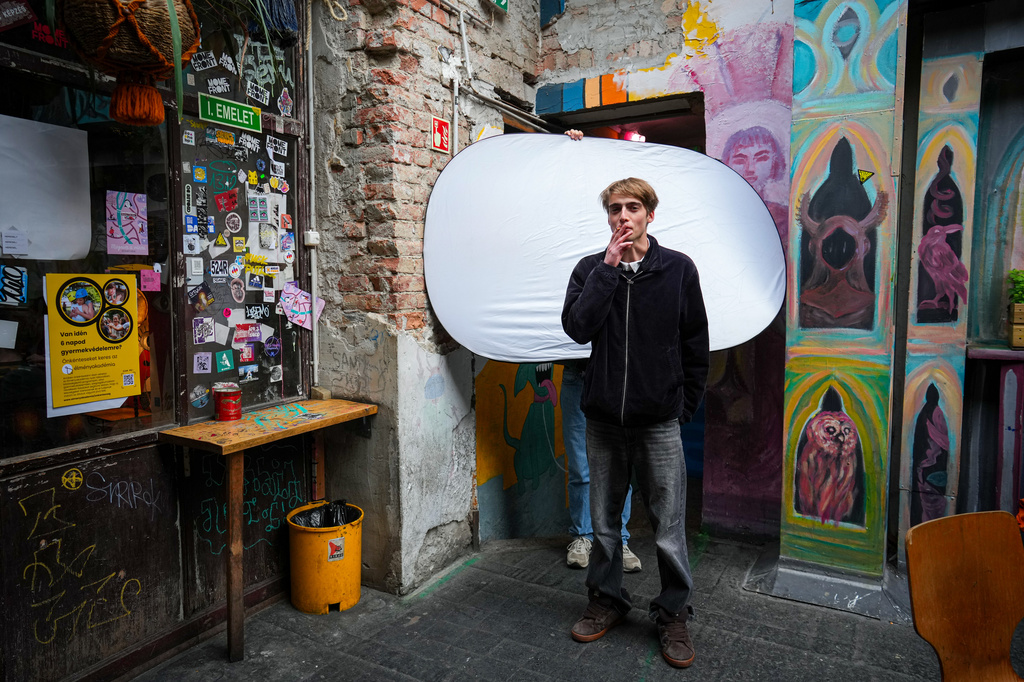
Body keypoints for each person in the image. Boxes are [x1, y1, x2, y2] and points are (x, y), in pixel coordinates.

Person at [561, 168, 709, 668]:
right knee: (604, 526)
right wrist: (607, 267)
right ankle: (605, 602)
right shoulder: (589, 269)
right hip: (603, 420)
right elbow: (578, 329)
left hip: (658, 422)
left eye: (632, 208)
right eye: (614, 209)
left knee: (668, 527)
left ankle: (673, 614)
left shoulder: (678, 270)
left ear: (649, 213)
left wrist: (680, 406)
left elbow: (695, 345)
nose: (622, 217)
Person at [562, 359, 640, 572]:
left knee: (619, 466)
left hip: (616, 373)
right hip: (576, 373)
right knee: (580, 466)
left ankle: (619, 540)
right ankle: (583, 536)